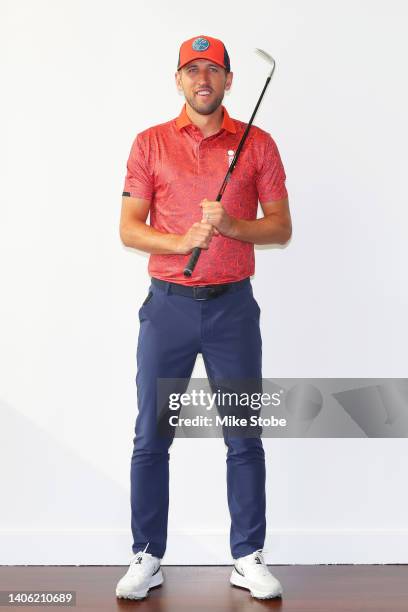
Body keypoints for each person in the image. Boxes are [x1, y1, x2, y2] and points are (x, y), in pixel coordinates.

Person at [115, 34, 292, 601]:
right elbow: (129, 228)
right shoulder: (150, 143)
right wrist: (179, 239)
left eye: (213, 70)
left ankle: (248, 555)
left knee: (244, 436)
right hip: (166, 307)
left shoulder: (257, 144)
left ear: (230, 81)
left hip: (232, 309)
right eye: (193, 70)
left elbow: (281, 228)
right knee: (152, 436)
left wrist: (233, 226)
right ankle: (147, 554)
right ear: (179, 79)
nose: (203, 80)